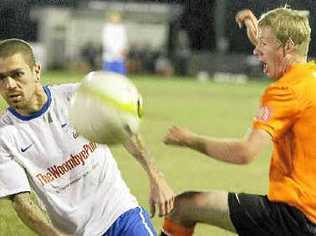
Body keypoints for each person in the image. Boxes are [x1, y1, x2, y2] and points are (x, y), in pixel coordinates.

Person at [160, 7, 316, 236]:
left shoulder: (285, 91)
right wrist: (264, 39)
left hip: (293, 217)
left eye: (264, 44)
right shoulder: (309, 80)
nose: (255, 51)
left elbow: (245, 152)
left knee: (181, 207)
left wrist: (189, 140)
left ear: (288, 46)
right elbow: (290, 64)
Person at [0, 38, 175, 236]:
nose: (9, 85)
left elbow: (125, 128)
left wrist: (156, 177)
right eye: (1, 78)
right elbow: (21, 202)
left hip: (121, 213)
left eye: (17, 74)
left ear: (36, 71)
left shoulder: (78, 96)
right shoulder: (4, 136)